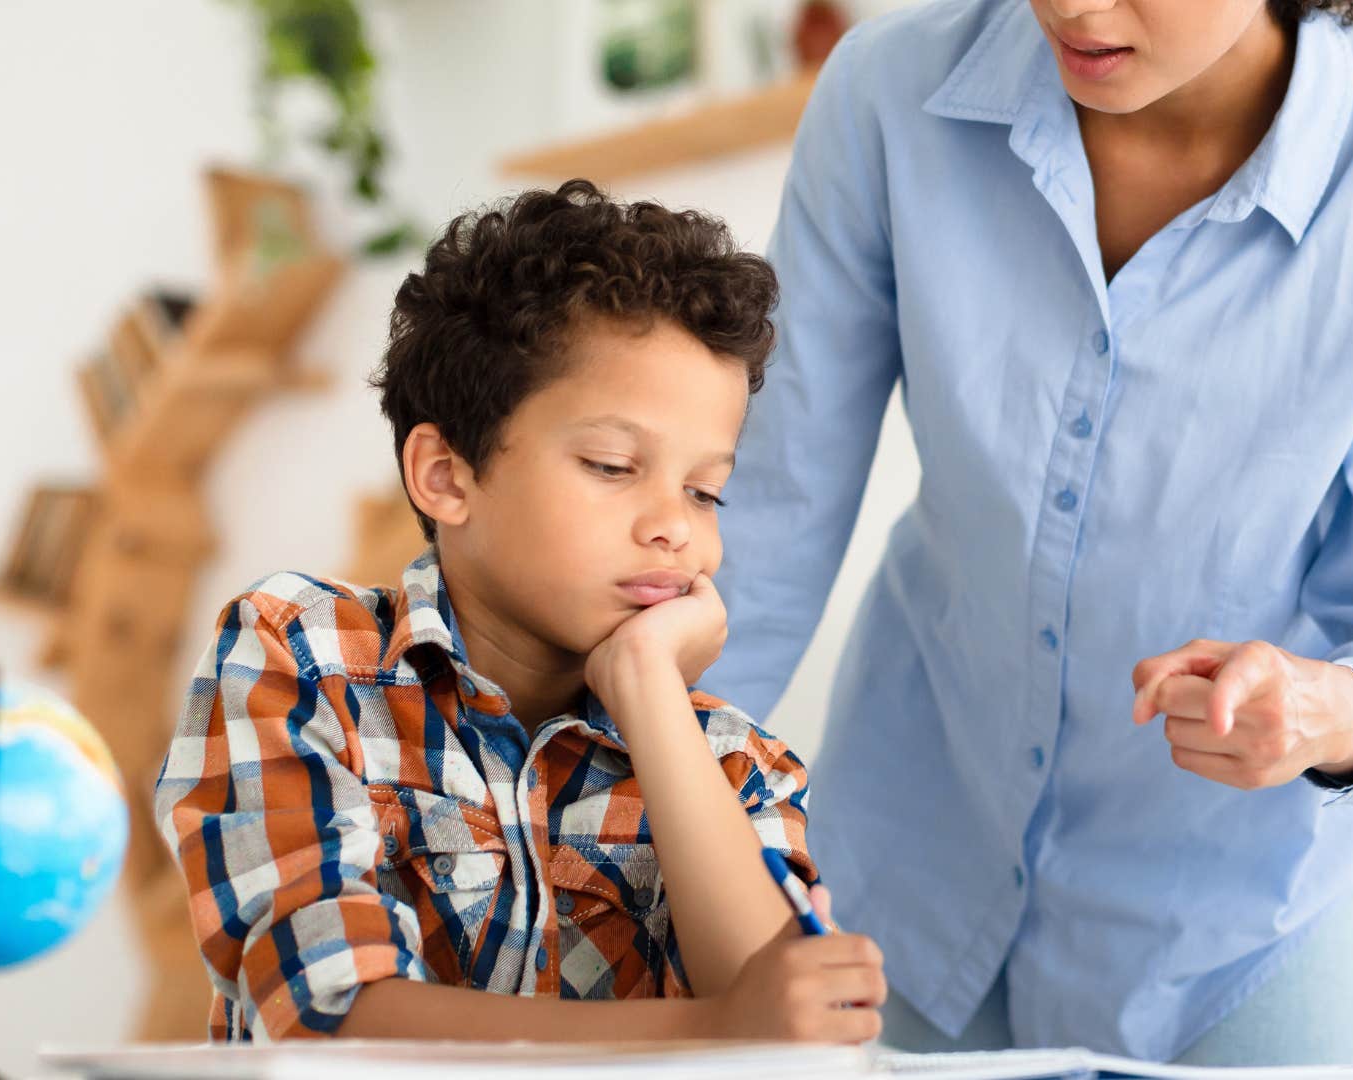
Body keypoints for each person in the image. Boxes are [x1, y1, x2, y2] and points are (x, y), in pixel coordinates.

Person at [703, 0, 1353, 1066]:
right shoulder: (890, 96)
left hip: (1237, 932)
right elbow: (766, 523)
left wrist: (1323, 710)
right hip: (905, 877)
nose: (1070, 5)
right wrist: (614, 828)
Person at [153, 180, 886, 1043]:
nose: (673, 529)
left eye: (705, 492)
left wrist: (649, 692)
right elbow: (329, 1013)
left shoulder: (733, 765)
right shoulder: (301, 657)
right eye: (614, 466)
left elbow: (784, 1027)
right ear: (446, 476)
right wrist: (710, 1029)